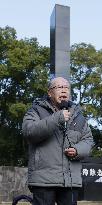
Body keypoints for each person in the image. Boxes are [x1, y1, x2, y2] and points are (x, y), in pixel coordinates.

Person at [22, 77, 94, 205]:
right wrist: (57, 118)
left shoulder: (79, 116)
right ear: (49, 92)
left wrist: (78, 150)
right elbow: (29, 132)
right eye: (59, 87)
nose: (64, 90)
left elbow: (88, 141)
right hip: (43, 179)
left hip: (70, 181)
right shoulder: (36, 110)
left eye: (66, 87)